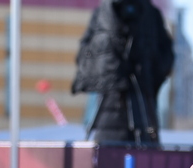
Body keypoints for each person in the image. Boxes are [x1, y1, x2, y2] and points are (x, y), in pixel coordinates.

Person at [72, 0, 174, 145]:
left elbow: (85, 55)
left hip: (131, 104)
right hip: (119, 104)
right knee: (142, 159)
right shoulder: (149, 14)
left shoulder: (104, 13)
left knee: (107, 159)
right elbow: (166, 56)